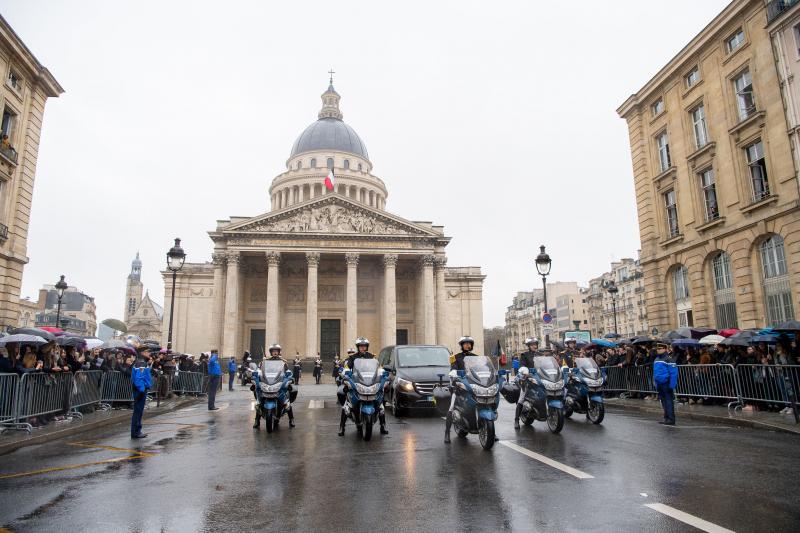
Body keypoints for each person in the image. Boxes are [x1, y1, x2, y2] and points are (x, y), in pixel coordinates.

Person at [339, 337, 387, 436]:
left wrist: (383, 373)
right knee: (346, 403)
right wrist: (345, 373)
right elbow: (346, 367)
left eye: (364, 346)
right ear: (358, 347)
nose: (362, 348)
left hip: (370, 381)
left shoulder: (372, 357)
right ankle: (342, 427)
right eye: (361, 346)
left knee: (380, 401)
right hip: (356, 380)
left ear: (367, 347)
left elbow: (379, 368)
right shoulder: (352, 358)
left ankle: (383, 426)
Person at [253, 343, 295, 429]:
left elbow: (288, 372)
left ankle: (291, 419)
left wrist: (289, 377)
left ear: (279, 352)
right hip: (267, 381)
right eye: (273, 351)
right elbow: (259, 371)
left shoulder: (283, 362)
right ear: (271, 352)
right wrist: (256, 376)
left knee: (286, 400)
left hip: (279, 381)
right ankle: (257, 420)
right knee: (259, 400)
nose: (275, 352)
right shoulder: (265, 361)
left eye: (276, 351)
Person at [444, 335, 477, 443]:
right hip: (459, 384)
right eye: (465, 343)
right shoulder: (455, 357)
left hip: (473, 385)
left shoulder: (476, 357)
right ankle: (447, 433)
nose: (468, 345)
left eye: (469, 343)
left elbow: (481, 369)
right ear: (462, 345)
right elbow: (453, 368)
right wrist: (454, 372)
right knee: (451, 407)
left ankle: (491, 431)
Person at [514, 338, 540, 430]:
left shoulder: (540, 354)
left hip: (540, 379)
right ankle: (516, 420)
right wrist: (526, 372)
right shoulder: (524, 355)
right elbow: (522, 366)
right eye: (532, 344)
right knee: (522, 398)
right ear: (529, 346)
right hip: (528, 379)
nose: (534, 346)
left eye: (535, 344)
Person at [653, 342, 678, 425]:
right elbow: (655, 372)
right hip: (659, 383)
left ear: (665, 349)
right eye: (657, 349)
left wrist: (672, 385)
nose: (658, 350)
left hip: (666, 383)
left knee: (669, 401)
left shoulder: (669, 359)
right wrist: (655, 383)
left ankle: (671, 419)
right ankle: (666, 418)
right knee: (663, 402)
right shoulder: (656, 359)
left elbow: (674, 373)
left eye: (660, 349)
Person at [131, 347, 153, 439]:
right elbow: (139, 378)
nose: (149, 354)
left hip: (140, 389)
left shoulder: (141, 362)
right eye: (147, 352)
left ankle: (136, 431)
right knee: (138, 412)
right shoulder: (141, 363)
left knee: (138, 411)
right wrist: (142, 390)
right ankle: (136, 432)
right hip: (140, 390)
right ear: (143, 353)